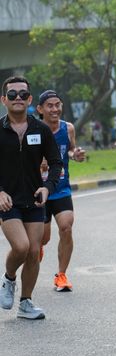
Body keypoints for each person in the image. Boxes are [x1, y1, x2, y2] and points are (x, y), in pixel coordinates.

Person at [0, 77, 62, 320]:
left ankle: (26, 303)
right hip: (8, 201)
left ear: (29, 100)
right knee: (21, 246)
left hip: (35, 199)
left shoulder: (40, 129)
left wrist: (48, 187)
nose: (18, 98)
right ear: (4, 100)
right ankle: (8, 278)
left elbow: (55, 162)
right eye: (12, 94)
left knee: (34, 252)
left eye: (23, 94)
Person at [36, 90, 86, 292]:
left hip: (61, 188)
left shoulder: (68, 128)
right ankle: (38, 246)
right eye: (50, 105)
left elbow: (71, 149)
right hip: (39, 191)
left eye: (58, 104)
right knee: (44, 238)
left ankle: (61, 275)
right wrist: (38, 164)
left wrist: (76, 155)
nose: (55, 109)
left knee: (66, 227)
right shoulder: (33, 130)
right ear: (40, 109)